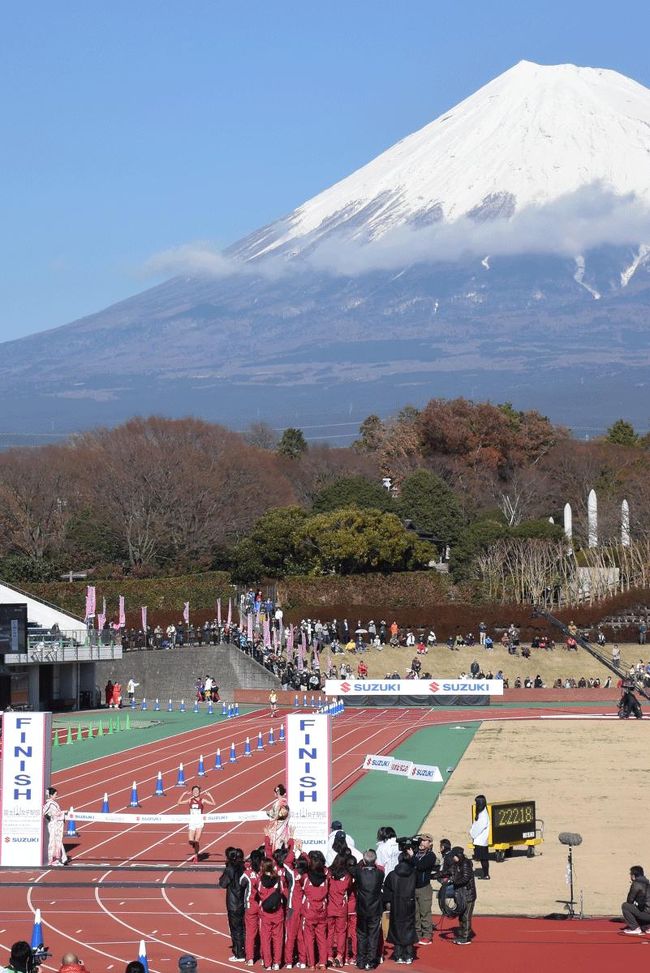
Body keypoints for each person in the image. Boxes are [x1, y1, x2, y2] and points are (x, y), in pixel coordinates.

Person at [382, 843, 417, 964]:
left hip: (396, 904)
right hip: (410, 904)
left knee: (397, 928)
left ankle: (398, 955)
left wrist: (387, 903)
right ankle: (408, 955)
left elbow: (386, 890)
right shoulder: (413, 874)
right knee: (408, 927)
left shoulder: (392, 874)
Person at [354, 850, 384, 970]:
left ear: (364, 861)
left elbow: (357, 867)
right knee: (373, 936)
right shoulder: (380, 874)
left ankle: (361, 961)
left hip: (362, 909)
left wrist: (364, 860)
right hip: (374, 909)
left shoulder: (359, 873)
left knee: (362, 935)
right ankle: (370, 962)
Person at [257, 857, 286, 970]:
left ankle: (267, 964)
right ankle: (277, 963)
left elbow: (259, 892)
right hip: (277, 911)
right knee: (278, 939)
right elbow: (282, 891)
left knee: (265, 939)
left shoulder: (260, 880)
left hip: (265, 913)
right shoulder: (278, 879)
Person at [219, 847, 246, 961]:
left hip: (234, 903)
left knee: (236, 929)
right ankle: (242, 950)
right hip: (242, 901)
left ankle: (239, 953)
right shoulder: (242, 867)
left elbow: (223, 883)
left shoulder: (230, 869)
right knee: (241, 928)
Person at [176, 784, 216, 862]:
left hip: (199, 821)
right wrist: (183, 794)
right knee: (191, 840)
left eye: (197, 791)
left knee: (197, 840)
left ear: (199, 792)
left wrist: (210, 795)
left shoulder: (202, 800)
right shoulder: (189, 800)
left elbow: (213, 803)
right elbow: (179, 802)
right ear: (192, 792)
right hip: (192, 821)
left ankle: (196, 856)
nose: (195, 792)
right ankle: (195, 846)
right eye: (194, 791)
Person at [240, 848, 263, 966]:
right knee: (264, 932)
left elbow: (241, 883)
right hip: (263, 905)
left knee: (250, 933)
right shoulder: (265, 871)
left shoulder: (247, 873)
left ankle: (249, 958)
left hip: (251, 905)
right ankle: (264, 957)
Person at [449, 847, 476, 945]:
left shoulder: (465, 864)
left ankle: (466, 937)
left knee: (466, 916)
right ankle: (462, 934)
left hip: (468, 895)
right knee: (461, 916)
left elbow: (465, 878)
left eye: (454, 856)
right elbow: (449, 871)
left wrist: (454, 882)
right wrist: (436, 875)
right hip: (461, 895)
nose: (452, 858)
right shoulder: (457, 864)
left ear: (458, 856)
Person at [413, 835, 437, 945]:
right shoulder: (415, 853)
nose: (422, 843)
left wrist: (412, 856)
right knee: (415, 913)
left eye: (425, 841)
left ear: (430, 843)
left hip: (424, 888)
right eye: (421, 840)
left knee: (425, 912)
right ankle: (417, 934)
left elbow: (421, 866)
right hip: (413, 887)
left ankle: (427, 935)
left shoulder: (431, 856)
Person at [43, 786, 68, 866]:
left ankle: (62, 858)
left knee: (58, 841)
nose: (56, 796)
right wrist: (51, 818)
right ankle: (53, 859)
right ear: (51, 795)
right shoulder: (49, 804)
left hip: (57, 824)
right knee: (53, 842)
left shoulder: (54, 803)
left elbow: (57, 813)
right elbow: (44, 813)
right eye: (55, 794)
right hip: (53, 825)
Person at [622, 865, 650, 934]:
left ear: (633, 876)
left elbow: (629, 900)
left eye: (630, 874)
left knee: (625, 906)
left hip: (647, 914)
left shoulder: (636, 884)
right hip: (647, 912)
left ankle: (635, 928)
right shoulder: (647, 883)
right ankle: (647, 926)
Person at [265, 783, 291, 852]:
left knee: (276, 847)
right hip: (282, 826)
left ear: (278, 793)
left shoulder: (279, 803)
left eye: (275, 792)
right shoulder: (284, 802)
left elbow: (276, 816)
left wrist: (271, 816)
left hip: (278, 827)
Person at [470, 794, 490, 879]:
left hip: (481, 840)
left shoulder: (483, 815)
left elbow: (479, 827)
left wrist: (472, 833)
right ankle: (485, 874)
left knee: (483, 858)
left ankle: (486, 875)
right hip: (480, 840)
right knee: (482, 858)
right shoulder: (481, 812)